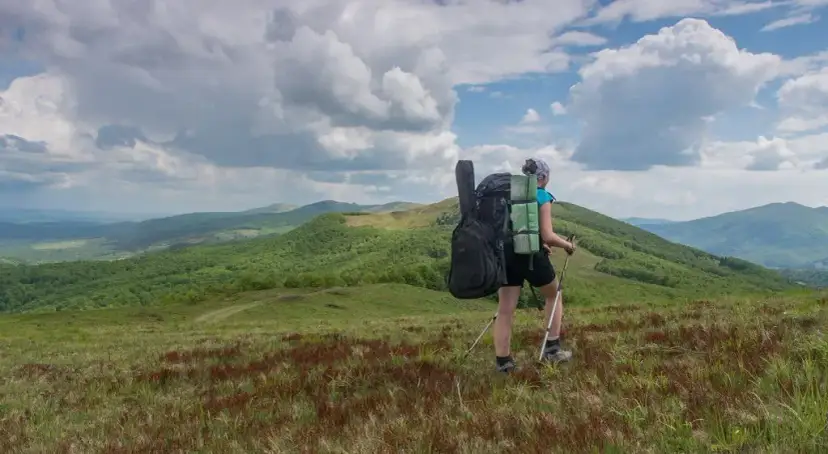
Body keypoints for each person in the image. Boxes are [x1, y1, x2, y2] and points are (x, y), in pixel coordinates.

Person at [493, 157, 576, 373]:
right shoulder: (542, 196)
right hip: (529, 256)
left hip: (507, 255)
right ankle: (553, 350)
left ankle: (504, 363)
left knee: (505, 310)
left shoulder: (510, 195)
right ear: (544, 177)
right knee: (553, 294)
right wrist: (567, 245)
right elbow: (548, 235)